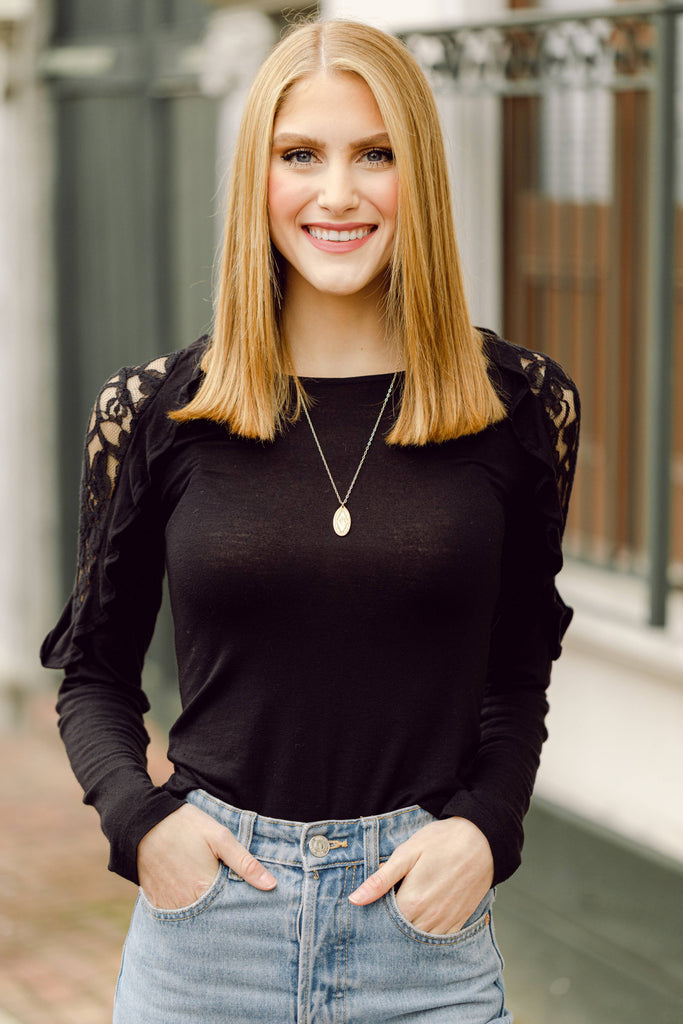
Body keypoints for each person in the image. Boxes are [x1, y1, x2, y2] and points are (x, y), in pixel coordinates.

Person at [41, 18, 580, 1024]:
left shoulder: (518, 408)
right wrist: (142, 827)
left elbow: (516, 670)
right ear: (259, 178)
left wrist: (485, 830)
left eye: (374, 154)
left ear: (416, 173)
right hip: (210, 929)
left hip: (422, 937)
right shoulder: (158, 412)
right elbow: (95, 676)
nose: (338, 193)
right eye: (301, 156)